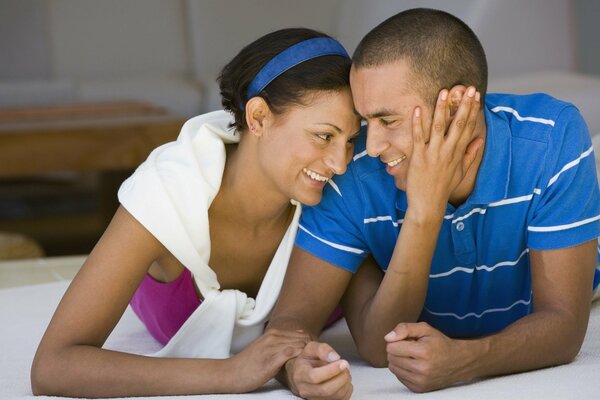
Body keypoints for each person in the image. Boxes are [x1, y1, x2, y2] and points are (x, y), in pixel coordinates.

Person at [267, 8, 600, 398]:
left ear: (456, 106)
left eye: (388, 121)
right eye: (364, 122)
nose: (370, 147)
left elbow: (563, 324)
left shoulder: (552, 138)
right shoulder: (349, 173)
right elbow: (354, 342)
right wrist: (424, 211)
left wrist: (467, 359)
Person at [30, 28, 362, 397]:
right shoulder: (166, 196)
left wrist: (290, 366)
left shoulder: (343, 196)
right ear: (259, 117)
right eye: (323, 135)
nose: (340, 163)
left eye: (350, 140)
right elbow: (53, 366)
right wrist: (231, 374)